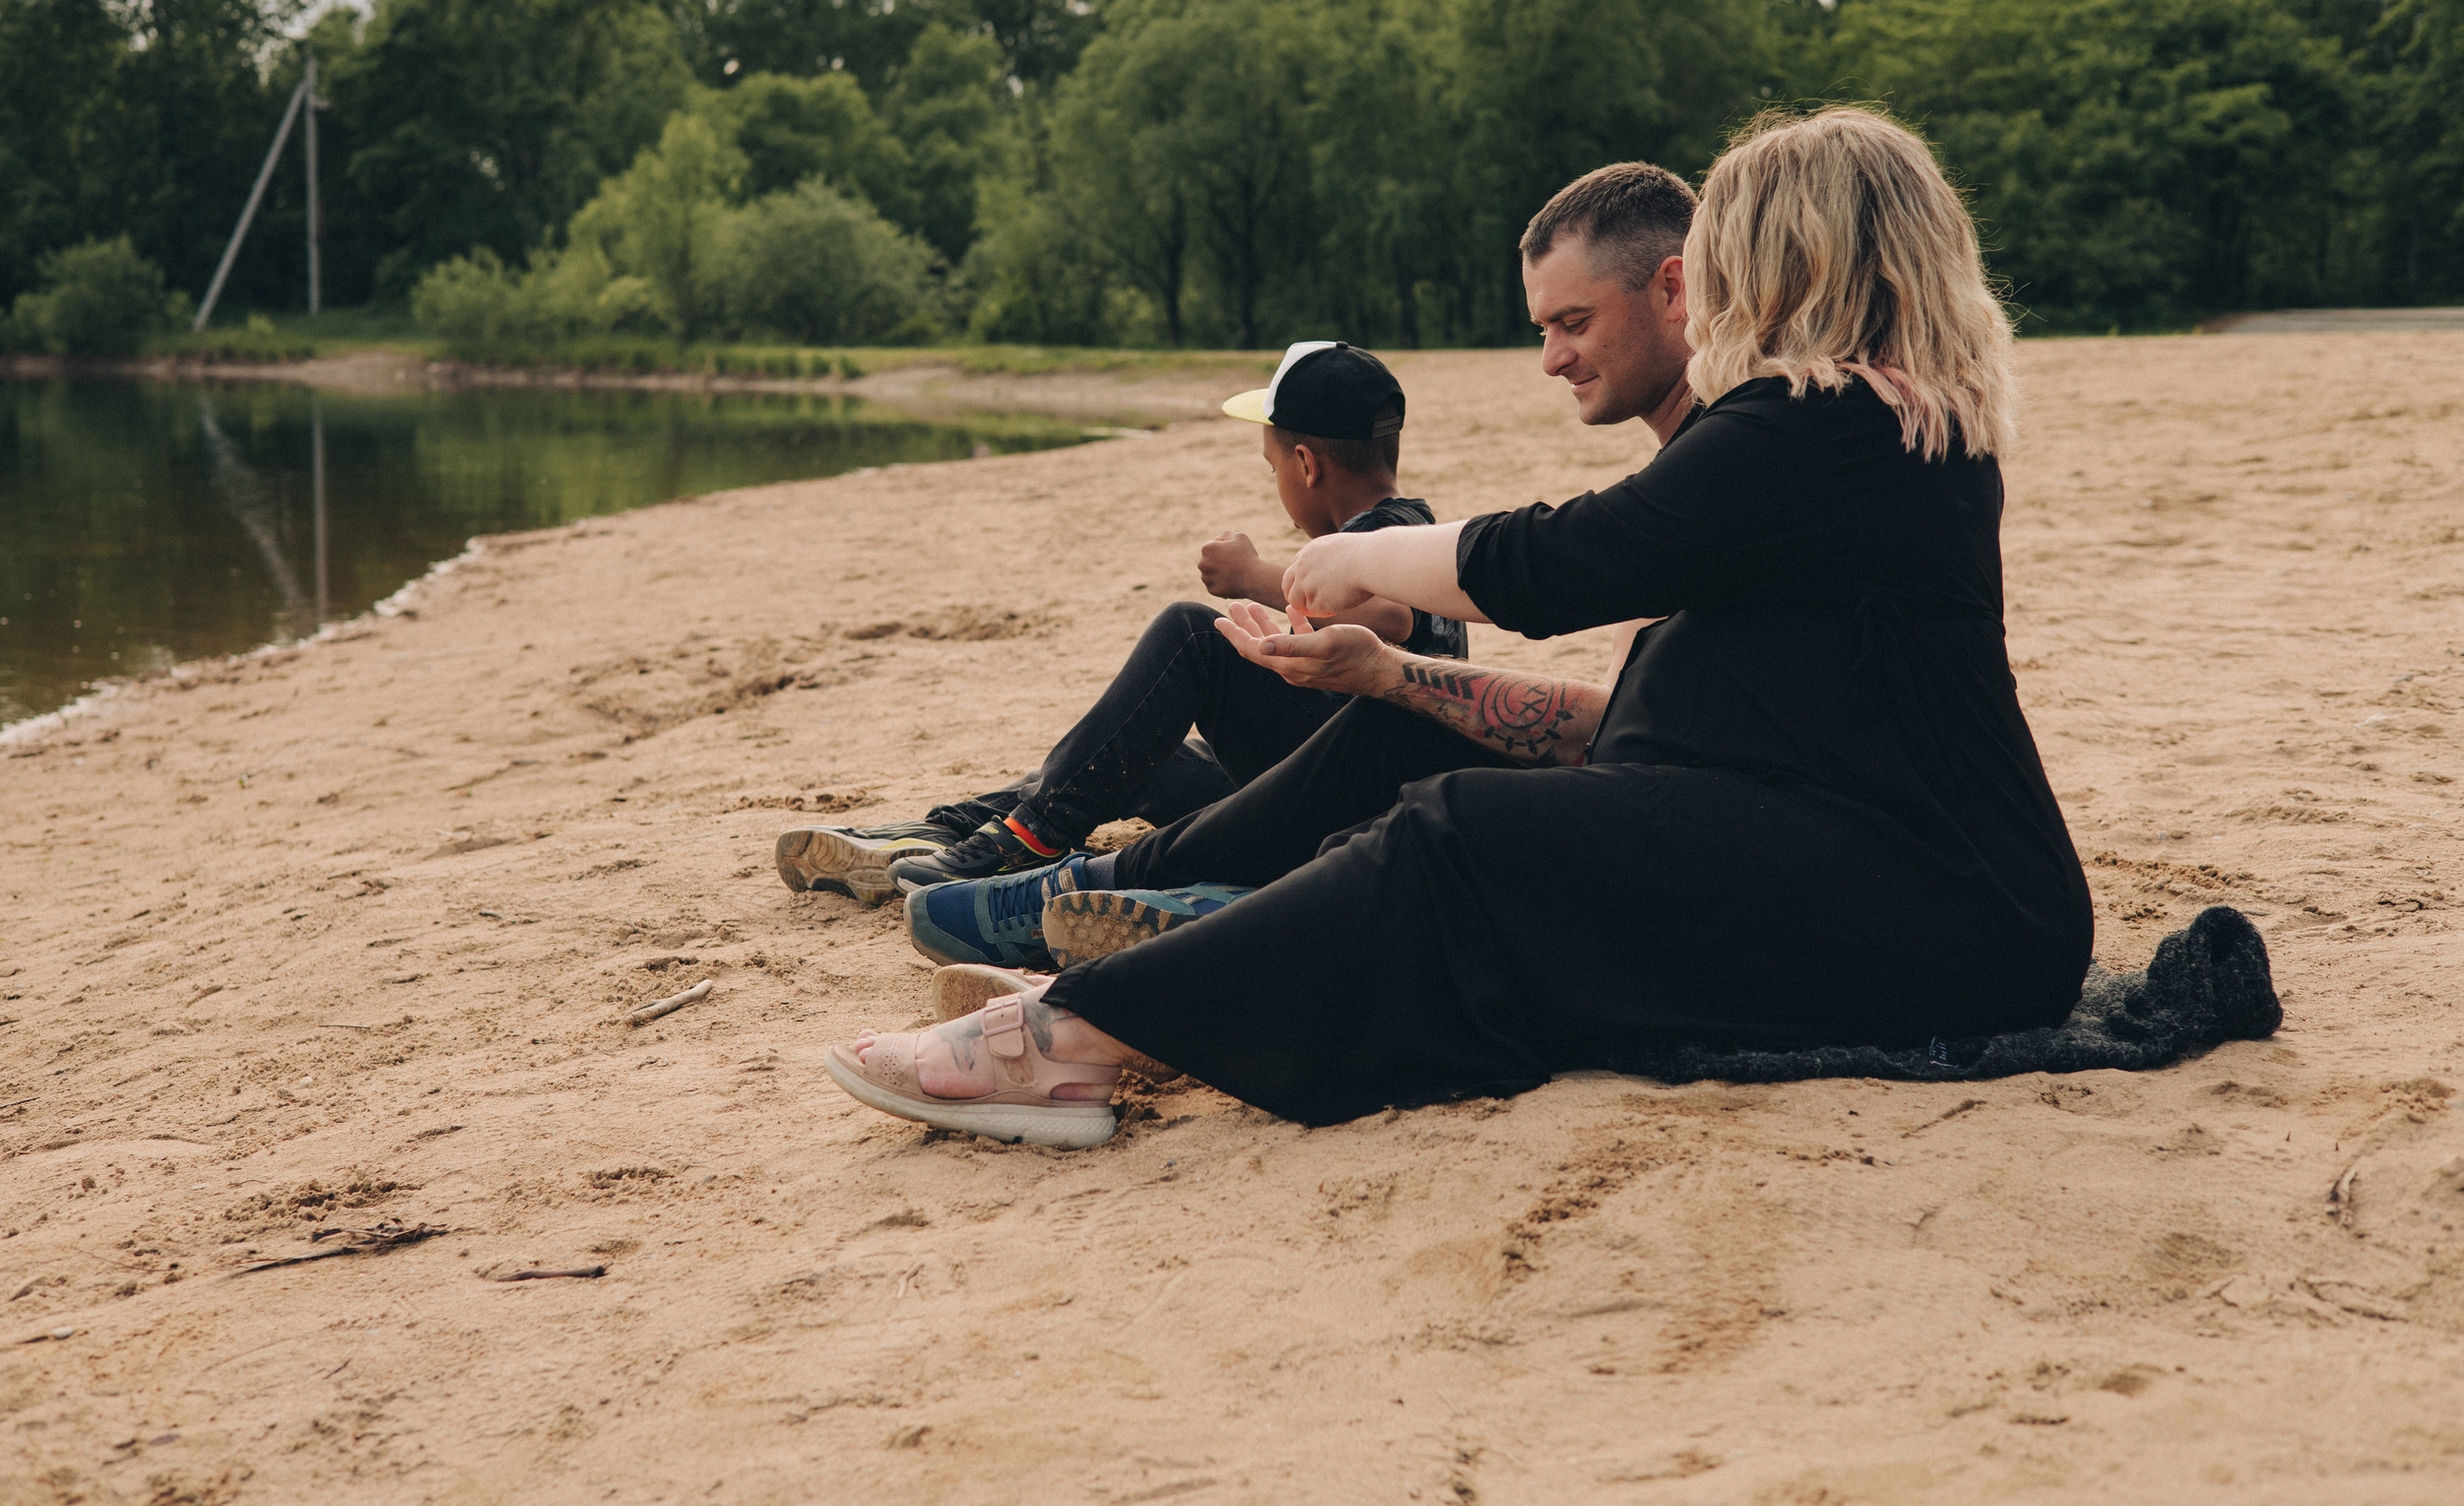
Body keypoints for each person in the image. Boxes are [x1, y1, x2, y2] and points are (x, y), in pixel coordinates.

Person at [821, 107, 2096, 1148]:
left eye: (1728, 250)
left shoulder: (1819, 429)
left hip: (1941, 910)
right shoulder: (1878, 436)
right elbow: (1656, 733)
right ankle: (1145, 944)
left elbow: (1555, 561)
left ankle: (1074, 1031)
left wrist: (1347, 554)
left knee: (1465, 833)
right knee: (1431, 775)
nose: (1710, 284)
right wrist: (1390, 667)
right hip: (1934, 889)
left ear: (1785, 257)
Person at [772, 342, 1466, 923]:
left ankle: (1029, 837)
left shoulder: (1387, 540)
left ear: (1307, 464)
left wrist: (1259, 576)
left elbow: (1390, 616)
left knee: (1193, 634)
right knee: (1141, 749)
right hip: (1328, 789)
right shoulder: (1412, 532)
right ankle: (957, 824)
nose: (1278, 483)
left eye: (1273, 467)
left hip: (1356, 808)